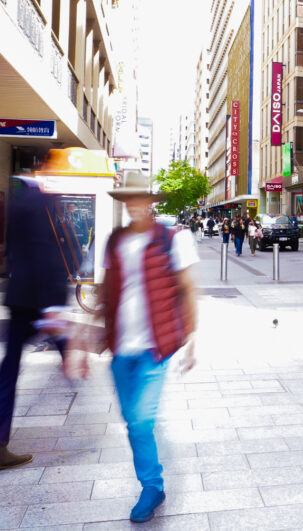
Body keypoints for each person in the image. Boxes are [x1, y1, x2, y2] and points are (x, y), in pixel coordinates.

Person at [101, 171, 198, 523]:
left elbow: (188, 289)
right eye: (128, 200)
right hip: (119, 349)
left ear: (150, 202)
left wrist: (190, 341)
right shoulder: (115, 241)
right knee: (132, 423)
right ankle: (151, 482)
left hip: (155, 349)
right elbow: (108, 289)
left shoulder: (172, 240)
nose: (134, 205)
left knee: (141, 421)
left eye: (140, 199)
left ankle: (151, 486)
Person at [0, 176, 69, 475]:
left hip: (19, 297)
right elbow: (46, 253)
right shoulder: (41, 203)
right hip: (39, 299)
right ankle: (73, 361)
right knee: (62, 347)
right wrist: (54, 305)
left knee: (7, 370)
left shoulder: (18, 203)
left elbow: (12, 252)